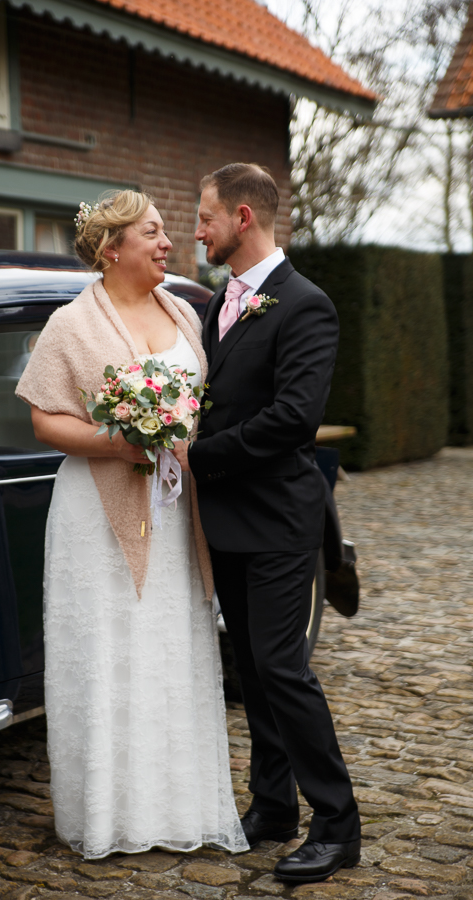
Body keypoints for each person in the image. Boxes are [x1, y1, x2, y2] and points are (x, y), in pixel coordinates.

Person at [15, 190, 248, 860]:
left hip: (176, 514)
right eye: (153, 232)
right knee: (109, 649)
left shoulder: (185, 310)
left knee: (171, 644)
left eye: (168, 231)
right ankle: (110, 815)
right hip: (98, 512)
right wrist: (118, 443)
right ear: (113, 247)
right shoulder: (72, 323)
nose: (168, 243)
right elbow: (43, 419)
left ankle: (177, 806)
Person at [172, 164, 361, 884]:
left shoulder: (305, 304)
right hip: (226, 521)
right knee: (250, 670)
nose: (198, 229)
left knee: (283, 668)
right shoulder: (220, 301)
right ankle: (273, 807)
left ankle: (338, 826)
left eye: (206, 216)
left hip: (282, 519)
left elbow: (294, 419)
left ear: (243, 217)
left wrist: (200, 456)